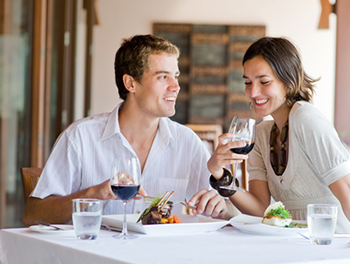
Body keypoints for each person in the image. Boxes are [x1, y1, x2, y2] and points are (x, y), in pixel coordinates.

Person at [22, 34, 240, 226]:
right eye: (163, 76)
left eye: (176, 76)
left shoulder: (187, 142)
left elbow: (231, 212)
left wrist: (220, 207)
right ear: (131, 83)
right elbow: (32, 214)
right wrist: (93, 194)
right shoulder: (80, 137)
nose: (176, 86)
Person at [199, 36, 350, 233]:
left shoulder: (306, 118)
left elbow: (346, 191)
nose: (253, 92)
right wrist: (219, 174)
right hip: (289, 242)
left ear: (289, 80)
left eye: (264, 81)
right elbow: (261, 208)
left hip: (330, 242)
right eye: (247, 82)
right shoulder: (261, 134)